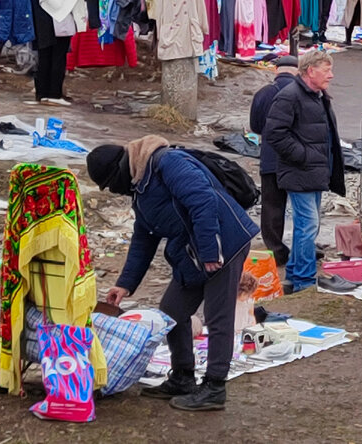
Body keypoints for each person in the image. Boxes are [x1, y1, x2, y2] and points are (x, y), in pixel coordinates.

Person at [90, 135, 258, 410]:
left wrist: (208, 253)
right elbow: (144, 237)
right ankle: (183, 377)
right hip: (192, 253)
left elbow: (203, 202)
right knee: (171, 313)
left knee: (218, 316)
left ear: (119, 169)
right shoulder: (139, 187)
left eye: (110, 185)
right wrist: (125, 284)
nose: (113, 191)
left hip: (223, 243)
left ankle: (214, 387)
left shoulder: (168, 163)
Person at [261, 50, 345, 293]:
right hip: (300, 171)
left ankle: (294, 275)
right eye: (326, 70)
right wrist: (305, 157)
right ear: (311, 71)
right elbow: (275, 134)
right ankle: (305, 281)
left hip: (314, 172)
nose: (331, 75)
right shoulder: (290, 96)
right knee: (308, 225)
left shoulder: (317, 95)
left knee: (306, 225)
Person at [249, 55, 298, 270]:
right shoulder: (303, 93)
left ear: (276, 71)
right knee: (302, 208)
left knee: (271, 207)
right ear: (297, 71)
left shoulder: (264, 93)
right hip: (297, 160)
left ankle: (275, 251)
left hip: (270, 158)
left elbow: (255, 126)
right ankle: (301, 250)